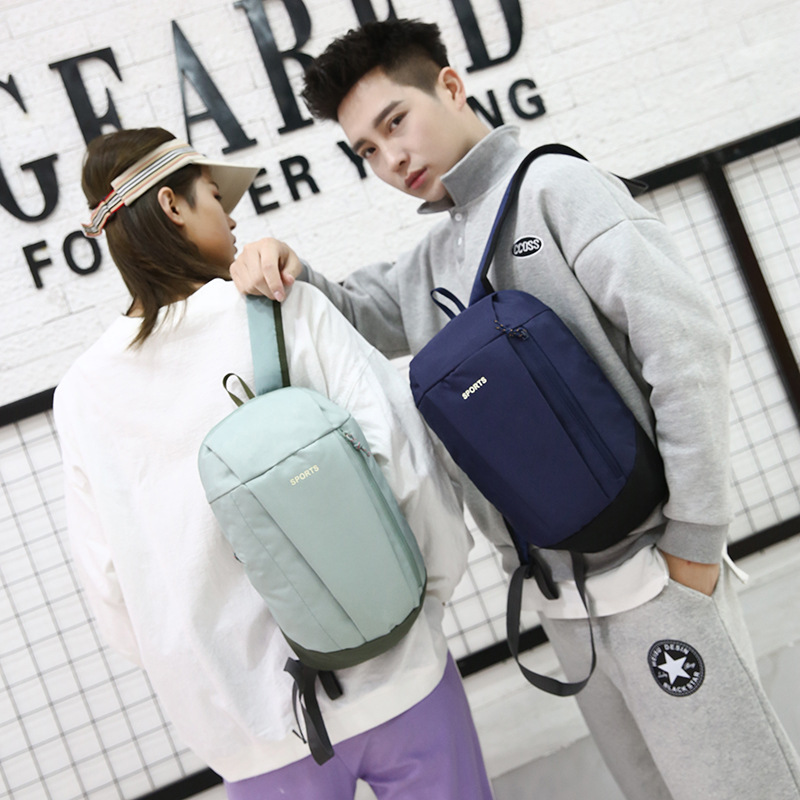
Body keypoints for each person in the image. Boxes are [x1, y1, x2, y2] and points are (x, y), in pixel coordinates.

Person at [229, 18, 800, 800]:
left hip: (656, 570)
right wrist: (288, 264)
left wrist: (696, 542)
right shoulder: (432, 256)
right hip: (562, 601)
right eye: (366, 149)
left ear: (451, 86)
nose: (391, 158)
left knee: (737, 787)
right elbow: (355, 312)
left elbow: (688, 349)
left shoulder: (559, 188)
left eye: (396, 122)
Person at [53, 127, 496, 800]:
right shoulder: (282, 308)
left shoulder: (84, 396)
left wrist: (214, 678)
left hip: (253, 728)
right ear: (172, 205)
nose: (233, 218)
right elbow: (401, 456)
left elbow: (112, 584)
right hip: (395, 668)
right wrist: (424, 608)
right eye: (213, 195)